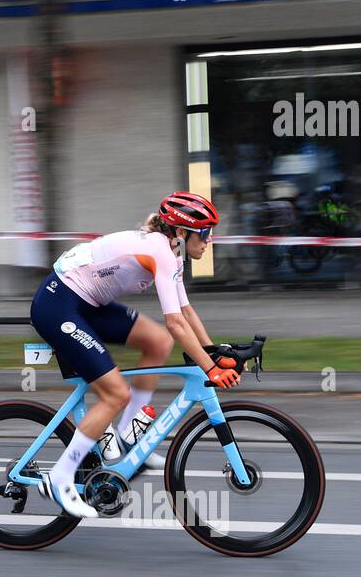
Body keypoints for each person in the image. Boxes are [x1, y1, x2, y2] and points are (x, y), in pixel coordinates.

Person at [29, 192, 239, 519]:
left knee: (156, 341)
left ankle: (129, 439)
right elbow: (176, 324)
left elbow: (185, 312)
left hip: (86, 304)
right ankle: (60, 478)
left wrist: (214, 352)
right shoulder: (162, 253)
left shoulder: (169, 251)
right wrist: (210, 368)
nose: (210, 240)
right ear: (183, 233)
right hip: (58, 305)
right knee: (115, 393)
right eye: (206, 233)